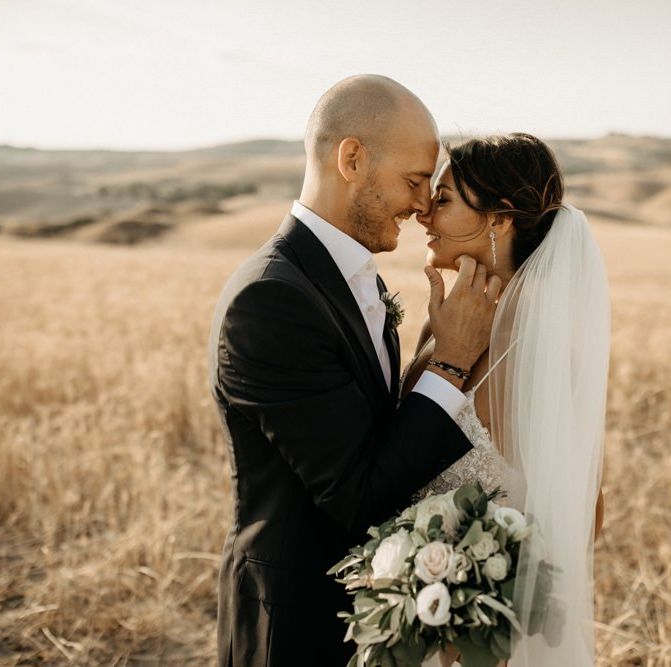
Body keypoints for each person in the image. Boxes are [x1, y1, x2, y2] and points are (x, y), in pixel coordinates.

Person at [208, 74, 500, 666]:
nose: (424, 204)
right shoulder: (272, 300)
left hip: (368, 619)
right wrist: (449, 364)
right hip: (296, 628)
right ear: (352, 159)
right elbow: (356, 494)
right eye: (415, 181)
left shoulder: (343, 277)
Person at [402, 133, 610, 666]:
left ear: (499, 220)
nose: (424, 212)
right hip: (418, 609)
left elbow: (584, 507)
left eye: (444, 200)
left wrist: (487, 603)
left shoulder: (530, 336)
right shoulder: (443, 320)